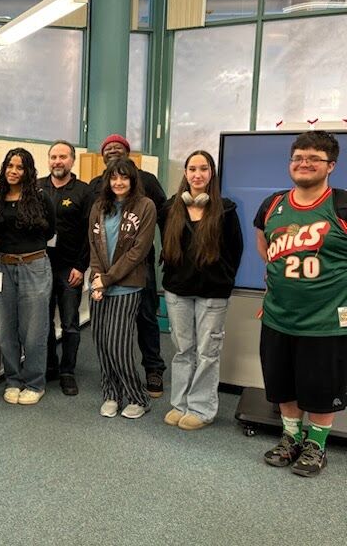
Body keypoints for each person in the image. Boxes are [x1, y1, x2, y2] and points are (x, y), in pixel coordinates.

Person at [255, 131, 347, 477]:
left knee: (323, 389)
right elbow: (265, 247)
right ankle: (291, 437)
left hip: (326, 321)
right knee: (283, 384)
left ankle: (316, 445)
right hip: (278, 316)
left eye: (313, 158)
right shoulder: (273, 205)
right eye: (298, 157)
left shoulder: (341, 204)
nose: (304, 163)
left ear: (331, 165)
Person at [159, 150, 243, 430]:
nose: (197, 174)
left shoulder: (226, 209)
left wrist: (224, 282)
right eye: (192, 169)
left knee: (208, 352)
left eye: (203, 169)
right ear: (185, 173)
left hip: (212, 293)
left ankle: (201, 408)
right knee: (183, 350)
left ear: (211, 174)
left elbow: (235, 250)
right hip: (177, 291)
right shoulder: (171, 208)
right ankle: (180, 403)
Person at [89, 134, 167, 397]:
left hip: (138, 266)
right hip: (104, 267)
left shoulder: (148, 182)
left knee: (145, 317)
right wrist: (98, 274)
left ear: (128, 153)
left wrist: (168, 248)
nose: (112, 150)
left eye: (118, 147)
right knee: (106, 331)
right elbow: (93, 231)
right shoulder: (97, 187)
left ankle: (153, 369)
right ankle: (113, 380)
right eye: (107, 148)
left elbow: (165, 217)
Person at [0, 148, 55, 405]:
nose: (13, 171)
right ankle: (13, 380)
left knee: (34, 331)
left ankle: (34, 384)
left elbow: (50, 232)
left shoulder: (40, 198)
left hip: (34, 266)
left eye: (19, 167)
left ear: (28, 171)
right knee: (6, 331)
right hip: (4, 267)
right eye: (9, 166)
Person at [37, 140, 92, 396]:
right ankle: (50, 366)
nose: (58, 161)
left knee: (70, 323)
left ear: (72, 160)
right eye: (53, 157)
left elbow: (90, 234)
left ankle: (68, 371)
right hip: (40, 267)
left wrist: (81, 267)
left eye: (63, 157)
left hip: (70, 269)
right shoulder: (37, 187)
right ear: (48, 160)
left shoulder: (83, 191)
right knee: (43, 321)